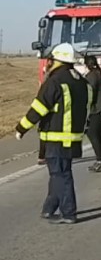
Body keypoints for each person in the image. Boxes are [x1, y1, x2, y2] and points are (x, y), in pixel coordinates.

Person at [15, 43, 92, 224]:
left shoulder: (55, 81)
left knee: (61, 175)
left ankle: (68, 213)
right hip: (73, 137)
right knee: (58, 173)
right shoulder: (81, 81)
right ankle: (49, 208)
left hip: (56, 138)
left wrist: (21, 129)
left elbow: (39, 108)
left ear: (57, 60)